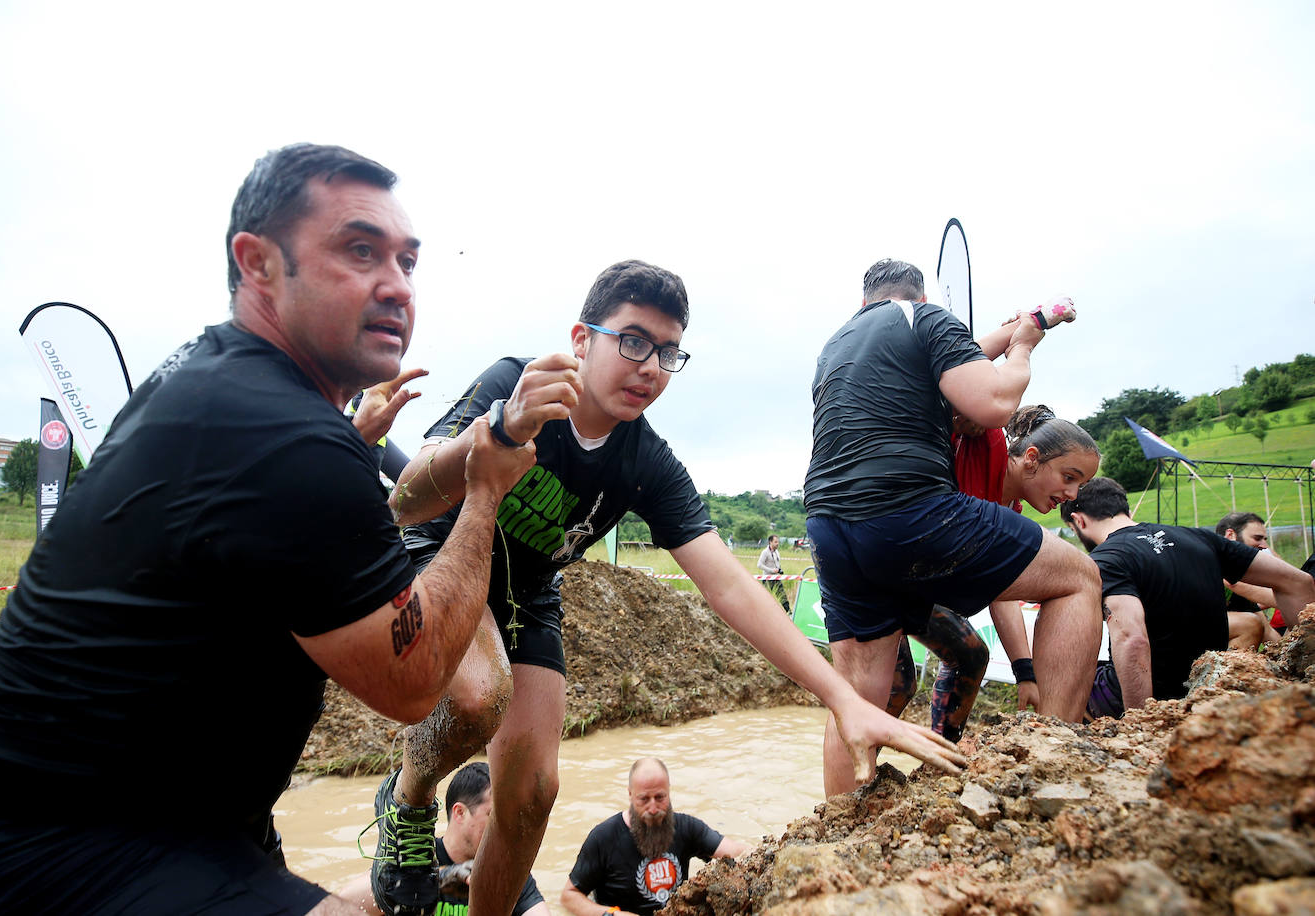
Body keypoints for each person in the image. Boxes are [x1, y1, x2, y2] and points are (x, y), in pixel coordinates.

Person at [0, 143, 537, 915]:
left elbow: (256, 534)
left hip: (167, 817)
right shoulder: (282, 434)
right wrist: (484, 491)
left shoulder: (212, 378)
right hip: (51, 841)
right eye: (360, 251)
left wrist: (349, 445)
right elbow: (416, 680)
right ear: (257, 264)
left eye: (408, 261)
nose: (395, 285)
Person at [367, 259, 964, 916]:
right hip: (446, 550)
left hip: (529, 590)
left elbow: (730, 588)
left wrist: (841, 698)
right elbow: (406, 497)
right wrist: (502, 429)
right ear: (580, 339)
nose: (649, 365)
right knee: (480, 695)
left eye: (667, 352)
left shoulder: (647, 462)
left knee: (535, 791)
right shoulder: (516, 381)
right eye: (632, 340)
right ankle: (409, 792)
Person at [804, 258, 1103, 796]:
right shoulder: (925, 317)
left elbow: (941, 376)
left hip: (828, 523)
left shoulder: (835, 348)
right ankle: (1055, 758)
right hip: (907, 509)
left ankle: (838, 827)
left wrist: (1012, 329)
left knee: (856, 694)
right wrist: (1024, 348)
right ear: (918, 296)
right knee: (1078, 575)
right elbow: (990, 402)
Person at [888, 404, 1102, 740]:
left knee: (971, 656)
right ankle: (860, 785)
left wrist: (1025, 671)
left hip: (917, 588)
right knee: (897, 686)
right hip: (885, 566)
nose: (1072, 496)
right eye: (1069, 477)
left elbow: (1000, 590)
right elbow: (963, 389)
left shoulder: (1012, 513)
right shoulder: (985, 448)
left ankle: (943, 758)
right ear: (1031, 458)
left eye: (1081, 485)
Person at [1060, 478, 1315, 717]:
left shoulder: (1105, 559)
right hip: (1205, 686)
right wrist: (1306, 671)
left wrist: (1141, 725)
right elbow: (1298, 581)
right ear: (1125, 510)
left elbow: (1132, 639)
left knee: (1059, 671)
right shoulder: (1199, 538)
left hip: (1148, 700)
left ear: (1078, 521)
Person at [340, 763, 549, 916]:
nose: (504, 829)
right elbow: (342, 905)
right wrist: (435, 879)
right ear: (459, 813)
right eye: (494, 817)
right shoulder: (418, 855)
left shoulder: (506, 870)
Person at [560, 758, 751, 915]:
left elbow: (738, 853)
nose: (653, 808)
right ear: (630, 795)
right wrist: (611, 914)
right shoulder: (603, 838)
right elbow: (569, 896)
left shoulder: (686, 827)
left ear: (669, 791)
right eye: (644, 799)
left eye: (660, 798)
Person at [1215, 512, 1286, 644]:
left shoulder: (1240, 579)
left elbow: (1268, 632)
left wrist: (1287, 655)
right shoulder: (1214, 561)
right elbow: (1233, 584)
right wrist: (1302, 601)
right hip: (1173, 628)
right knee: (1249, 624)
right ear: (1231, 535)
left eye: (1265, 540)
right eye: (1257, 538)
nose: (1264, 546)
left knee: (1254, 622)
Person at [757, 534, 791, 614]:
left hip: (776, 577)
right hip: (767, 579)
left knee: (782, 595)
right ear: (770, 542)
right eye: (775, 542)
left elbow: (777, 563)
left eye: (778, 542)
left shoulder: (777, 552)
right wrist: (771, 570)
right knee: (767, 598)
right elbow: (759, 565)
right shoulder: (765, 552)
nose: (777, 543)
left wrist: (779, 569)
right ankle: (764, 612)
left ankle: (789, 612)